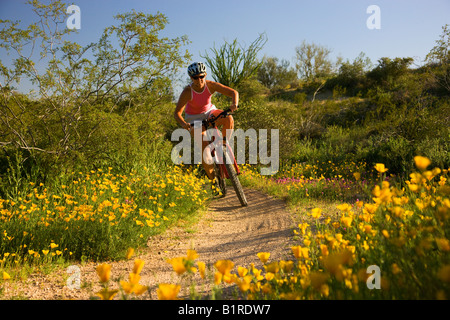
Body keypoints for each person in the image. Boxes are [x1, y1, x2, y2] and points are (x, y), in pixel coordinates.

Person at [174, 62, 239, 181]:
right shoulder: (187, 92)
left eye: (201, 76)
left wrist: (234, 103)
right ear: (191, 78)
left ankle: (223, 145)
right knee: (205, 151)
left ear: (205, 75)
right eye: (195, 77)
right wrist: (184, 124)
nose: (199, 80)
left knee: (228, 118)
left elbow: (233, 92)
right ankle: (214, 181)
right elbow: (177, 113)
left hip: (209, 112)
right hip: (194, 118)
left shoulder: (211, 85)